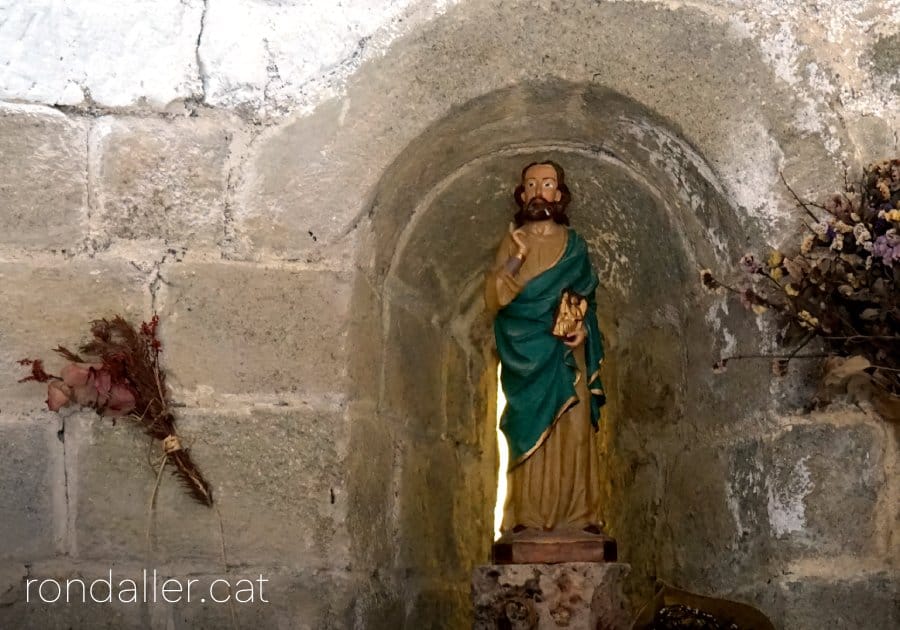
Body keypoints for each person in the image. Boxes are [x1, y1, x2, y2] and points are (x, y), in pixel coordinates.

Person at [484, 161, 607, 536]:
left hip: (567, 356)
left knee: (573, 429)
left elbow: (588, 299)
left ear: (559, 194)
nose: (539, 191)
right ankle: (526, 517)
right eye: (532, 184)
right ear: (522, 195)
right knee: (526, 427)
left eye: (548, 184)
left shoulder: (575, 245)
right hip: (525, 357)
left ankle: (581, 516)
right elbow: (496, 299)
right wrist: (517, 256)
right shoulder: (512, 241)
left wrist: (583, 331)